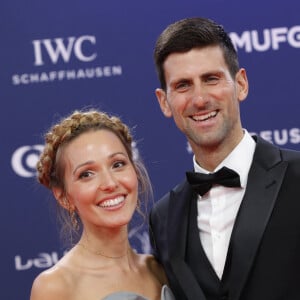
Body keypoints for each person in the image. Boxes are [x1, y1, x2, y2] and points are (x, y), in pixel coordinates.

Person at [149, 17, 300, 300]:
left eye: (211, 79)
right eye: (183, 85)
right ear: (164, 102)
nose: (200, 98)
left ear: (240, 84)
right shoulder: (163, 218)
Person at [30, 109, 175, 300]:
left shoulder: (159, 269)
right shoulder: (55, 286)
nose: (110, 183)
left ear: (135, 171)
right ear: (64, 197)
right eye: (86, 174)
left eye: (118, 164)